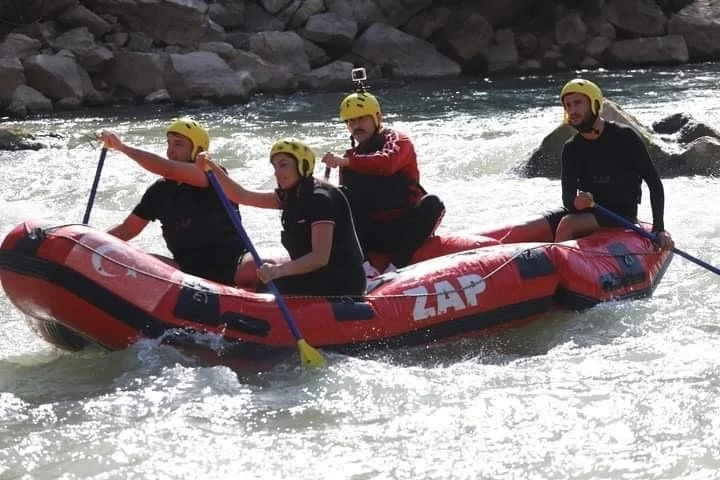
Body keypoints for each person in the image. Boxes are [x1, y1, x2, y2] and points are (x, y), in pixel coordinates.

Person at [511, 79, 673, 250]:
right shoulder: (571, 148)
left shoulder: (625, 137)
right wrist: (576, 203)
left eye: (577, 103)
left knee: (568, 224)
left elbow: (654, 183)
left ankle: (557, 268)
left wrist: (659, 228)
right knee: (520, 230)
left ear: (594, 103)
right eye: (568, 105)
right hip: (585, 212)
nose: (572, 110)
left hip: (620, 215)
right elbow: (568, 198)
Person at [201, 137, 366, 296]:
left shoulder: (320, 199)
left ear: (302, 165)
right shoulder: (290, 196)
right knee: (266, 283)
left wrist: (279, 271)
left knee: (269, 287)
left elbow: (319, 258)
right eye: (275, 167)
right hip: (315, 275)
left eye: (283, 165)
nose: (277, 173)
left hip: (341, 282)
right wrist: (213, 167)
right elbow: (242, 196)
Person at [98, 117, 253, 286]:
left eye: (178, 144)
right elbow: (127, 229)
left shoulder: (212, 175)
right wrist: (90, 241)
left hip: (233, 265)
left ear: (197, 151)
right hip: (185, 272)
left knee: (256, 266)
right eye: (169, 144)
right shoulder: (159, 191)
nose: (170, 151)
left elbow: (167, 168)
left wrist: (121, 147)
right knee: (135, 261)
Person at [321, 90, 445, 277]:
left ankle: (396, 266)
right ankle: (364, 267)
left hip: (404, 227)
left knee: (432, 202)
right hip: (372, 233)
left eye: (362, 119)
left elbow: (387, 163)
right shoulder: (350, 157)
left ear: (377, 117)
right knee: (340, 196)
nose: (356, 126)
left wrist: (347, 162)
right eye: (351, 121)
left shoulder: (398, 141)